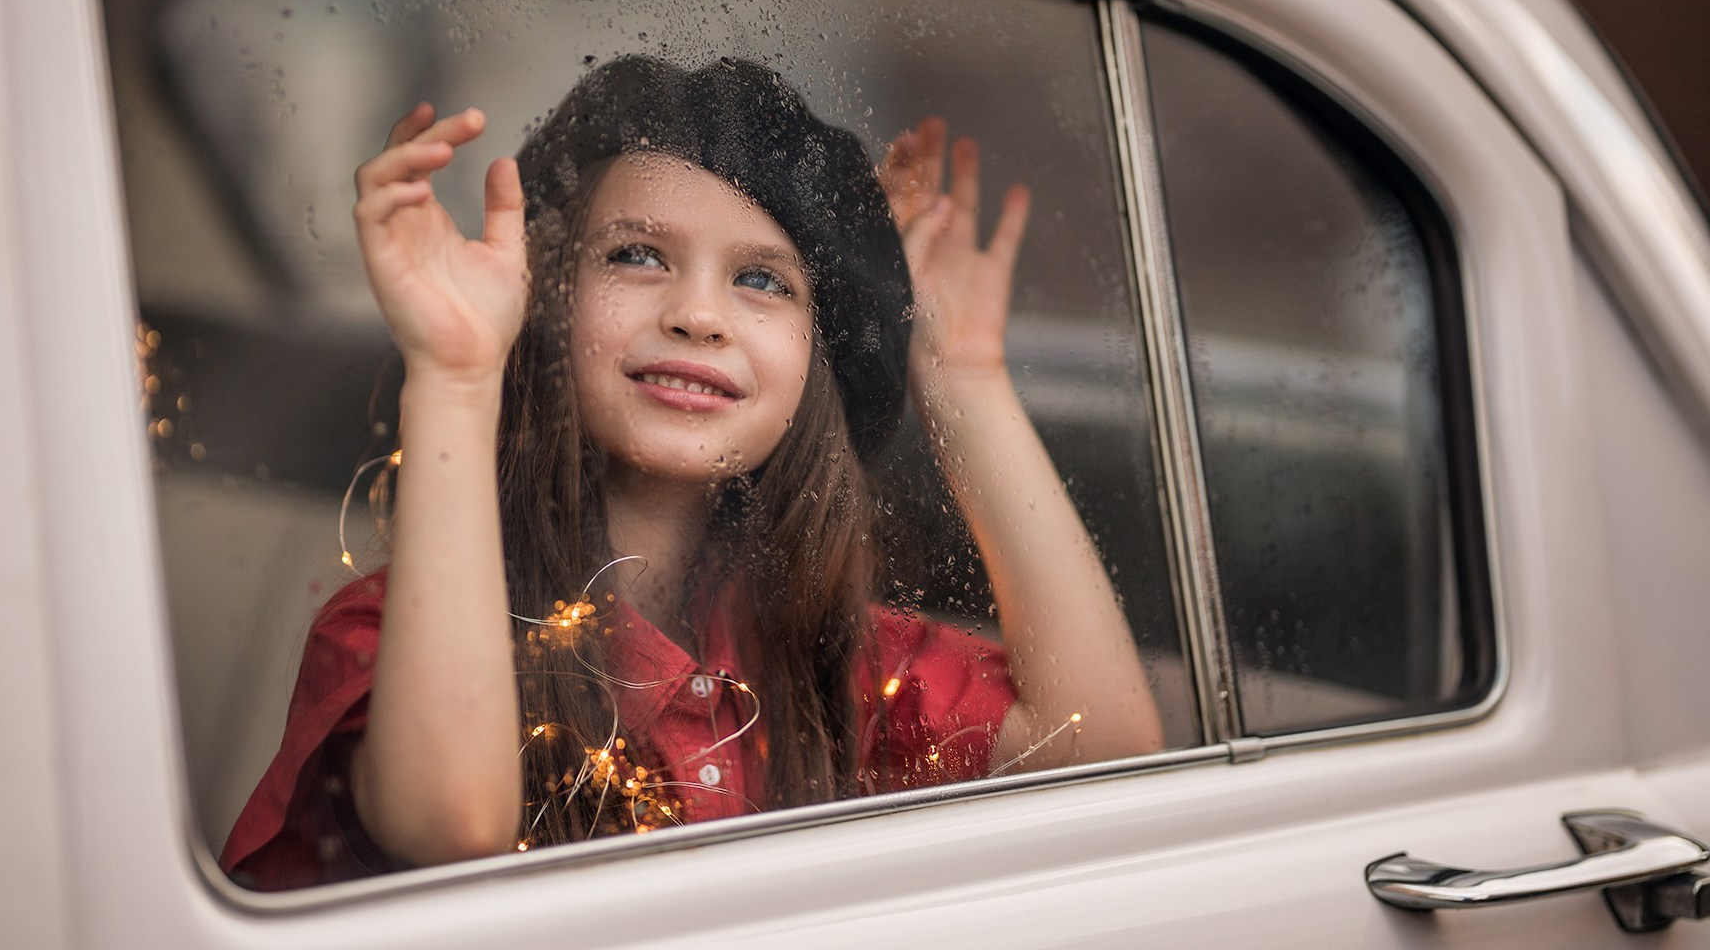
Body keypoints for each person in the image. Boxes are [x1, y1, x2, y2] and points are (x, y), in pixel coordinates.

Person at [220, 57, 1162, 889]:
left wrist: (962, 377)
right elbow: (454, 828)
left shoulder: (837, 673)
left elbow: (1103, 747)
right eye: (637, 255)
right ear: (545, 309)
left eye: (762, 280)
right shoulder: (391, 633)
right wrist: (461, 373)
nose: (697, 313)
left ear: (816, 366)